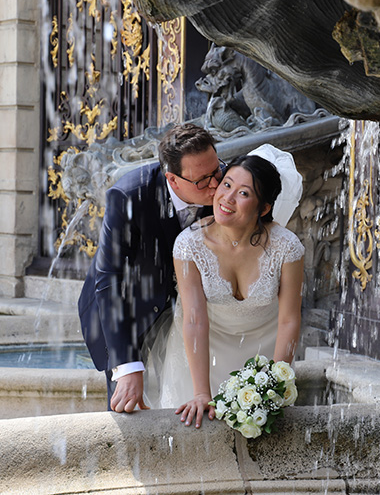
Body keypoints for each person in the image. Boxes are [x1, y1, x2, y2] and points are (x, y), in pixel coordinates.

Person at [144, 148, 305, 429]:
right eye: (227, 185)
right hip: (199, 354)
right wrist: (201, 393)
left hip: (263, 351)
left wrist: (276, 384)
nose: (227, 198)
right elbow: (194, 319)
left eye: (243, 193)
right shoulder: (188, 245)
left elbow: (289, 319)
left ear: (264, 208)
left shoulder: (287, 247)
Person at [78, 123, 224, 414]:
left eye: (217, 170)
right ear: (172, 179)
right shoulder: (129, 195)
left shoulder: (223, 183)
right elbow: (110, 280)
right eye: (203, 180)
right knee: (131, 409)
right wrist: (127, 366)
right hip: (132, 312)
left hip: (196, 314)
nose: (216, 185)